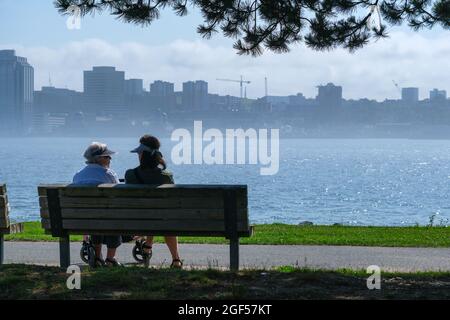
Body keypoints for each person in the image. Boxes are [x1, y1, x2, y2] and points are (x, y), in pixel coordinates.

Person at [125, 135, 183, 269]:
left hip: (137, 220)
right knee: (162, 216)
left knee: (151, 213)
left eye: (139, 153)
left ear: (142, 155)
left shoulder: (130, 175)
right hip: (162, 220)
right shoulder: (166, 177)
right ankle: (176, 260)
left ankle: (147, 246)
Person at [73, 142, 122, 267]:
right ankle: (110, 259)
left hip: (84, 219)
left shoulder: (78, 175)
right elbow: (119, 197)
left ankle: (97, 258)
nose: (110, 159)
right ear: (99, 158)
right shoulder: (109, 174)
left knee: (95, 216)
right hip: (108, 218)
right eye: (107, 156)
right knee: (111, 216)